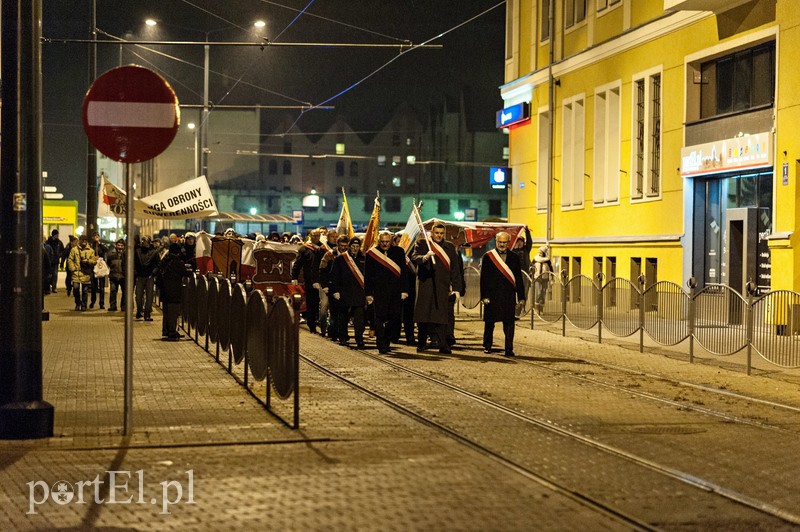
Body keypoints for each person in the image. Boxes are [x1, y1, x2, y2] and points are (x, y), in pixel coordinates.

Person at [411, 222, 462, 355]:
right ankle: (421, 343)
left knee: (441, 317)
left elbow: (455, 269)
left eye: (441, 233)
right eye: (436, 233)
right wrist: (425, 257)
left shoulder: (450, 247)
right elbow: (415, 257)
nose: (439, 236)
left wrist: (457, 289)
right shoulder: (423, 244)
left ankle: (443, 344)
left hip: (442, 286)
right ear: (432, 233)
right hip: (425, 285)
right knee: (423, 316)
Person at [480, 232, 526, 357]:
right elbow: (483, 278)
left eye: (504, 242)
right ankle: (487, 345)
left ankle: (509, 348)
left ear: (508, 242)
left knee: (509, 323)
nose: (502, 244)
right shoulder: (488, 257)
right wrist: (484, 296)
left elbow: (518, 279)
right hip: (492, 295)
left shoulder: (514, 257)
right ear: (496, 241)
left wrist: (521, 297)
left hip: (508, 296)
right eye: (500, 242)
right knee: (490, 322)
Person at [365, 231, 408, 354]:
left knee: (394, 318)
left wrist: (404, 290)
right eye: (382, 242)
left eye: (387, 242)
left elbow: (403, 273)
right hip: (379, 292)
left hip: (395, 291)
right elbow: (367, 275)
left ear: (391, 241)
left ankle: (387, 340)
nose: (385, 244)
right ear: (379, 241)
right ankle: (381, 343)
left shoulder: (399, 252)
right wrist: (368, 293)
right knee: (379, 318)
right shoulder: (372, 254)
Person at [330, 236, 367, 348]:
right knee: (343, 317)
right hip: (344, 292)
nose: (355, 248)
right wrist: (335, 290)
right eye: (353, 246)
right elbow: (334, 275)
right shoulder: (341, 259)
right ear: (349, 247)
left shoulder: (364, 259)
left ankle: (359, 339)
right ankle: (343, 337)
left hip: (359, 293)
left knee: (359, 319)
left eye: (357, 246)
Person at [155, 243, 191, 340]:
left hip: (164, 291)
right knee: (173, 313)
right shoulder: (177, 262)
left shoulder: (165, 260)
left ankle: (166, 331)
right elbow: (185, 272)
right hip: (174, 291)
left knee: (166, 312)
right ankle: (172, 332)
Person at [292, 228, 323, 334]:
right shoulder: (304, 249)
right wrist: (294, 277)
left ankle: (322, 325)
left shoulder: (322, 248)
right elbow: (297, 264)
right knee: (312, 304)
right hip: (310, 281)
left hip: (322, 280)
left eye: (318, 235)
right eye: (314, 235)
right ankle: (312, 325)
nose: (316, 237)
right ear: (310, 236)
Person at [320, 235, 349, 343]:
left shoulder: (349, 256)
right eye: (341, 245)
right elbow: (322, 271)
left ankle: (342, 334)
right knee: (334, 312)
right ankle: (332, 331)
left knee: (344, 312)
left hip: (345, 288)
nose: (343, 248)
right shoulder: (329, 255)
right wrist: (325, 286)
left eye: (346, 246)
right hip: (332, 287)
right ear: (337, 245)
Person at [67, 234, 96, 311]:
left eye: (85, 240)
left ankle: (84, 304)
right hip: (76, 273)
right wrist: (72, 268)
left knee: (85, 290)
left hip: (86, 272)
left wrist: (88, 261)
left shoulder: (91, 251)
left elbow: (94, 261)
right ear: (79, 241)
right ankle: (78, 302)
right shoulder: (74, 250)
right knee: (75, 288)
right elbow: (70, 259)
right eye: (82, 240)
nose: (84, 242)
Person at [134, 236, 159, 321]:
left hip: (149, 276)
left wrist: (153, 273)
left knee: (149, 296)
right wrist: (135, 272)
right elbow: (134, 263)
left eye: (144, 240)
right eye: (142, 240)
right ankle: (139, 310)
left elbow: (158, 264)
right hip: (140, 276)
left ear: (148, 242)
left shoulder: (154, 252)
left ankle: (147, 313)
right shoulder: (137, 251)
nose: (142, 242)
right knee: (138, 295)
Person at [106, 239, 126, 312]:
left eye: (121, 245)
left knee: (124, 292)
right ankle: (113, 306)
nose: (120, 247)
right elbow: (108, 262)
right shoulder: (111, 253)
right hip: (113, 275)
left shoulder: (126, 253)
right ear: (116, 245)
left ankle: (123, 306)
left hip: (123, 276)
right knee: (113, 291)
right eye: (118, 245)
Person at [89, 232, 108, 309]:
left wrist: (99, 243)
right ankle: (93, 301)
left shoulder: (101, 245)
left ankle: (101, 303)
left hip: (101, 267)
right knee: (94, 287)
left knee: (102, 287)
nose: (96, 237)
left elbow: (106, 250)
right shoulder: (91, 245)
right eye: (95, 236)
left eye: (98, 236)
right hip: (94, 267)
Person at [533, 244, 553, 314]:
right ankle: (536, 308)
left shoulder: (547, 260)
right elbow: (531, 267)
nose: (540, 253)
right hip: (537, 278)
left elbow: (551, 269)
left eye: (541, 252)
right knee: (538, 293)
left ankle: (541, 309)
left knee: (543, 293)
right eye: (539, 252)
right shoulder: (535, 259)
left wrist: (552, 279)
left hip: (545, 278)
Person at [46, 229, 64, 294]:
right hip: (49, 261)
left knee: (55, 275)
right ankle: (48, 287)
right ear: (54, 235)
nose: (57, 236)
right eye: (57, 234)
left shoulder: (59, 243)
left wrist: (59, 255)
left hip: (56, 261)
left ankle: (54, 287)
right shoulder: (48, 242)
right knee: (49, 275)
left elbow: (62, 251)